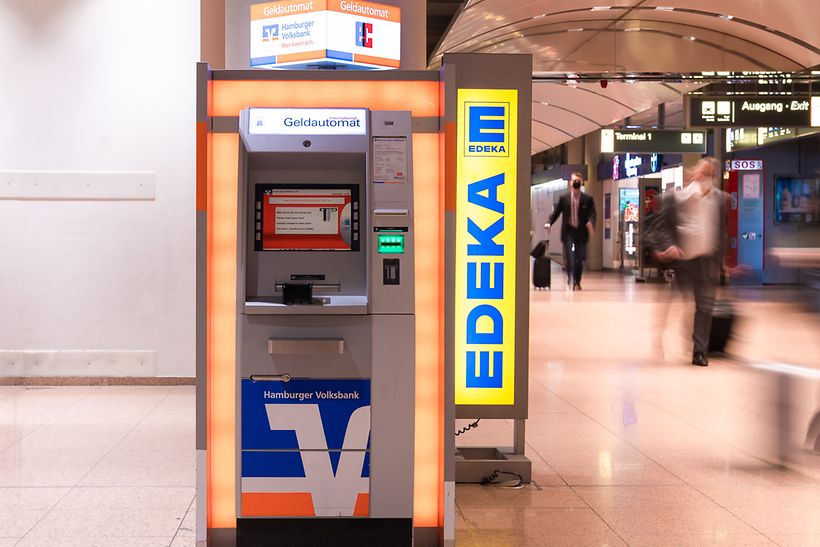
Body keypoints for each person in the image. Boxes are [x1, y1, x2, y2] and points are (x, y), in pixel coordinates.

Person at [644, 157, 727, 366]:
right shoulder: (679, 198)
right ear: (694, 174)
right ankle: (659, 337)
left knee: (704, 307)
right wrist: (667, 246)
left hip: (707, 261)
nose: (704, 179)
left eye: (709, 175)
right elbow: (660, 225)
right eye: (702, 174)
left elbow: (720, 232)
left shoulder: (720, 200)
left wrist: (722, 262)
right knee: (679, 304)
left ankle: (700, 351)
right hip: (683, 261)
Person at [547, 172, 596, 290]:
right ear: (570, 182)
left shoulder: (587, 199)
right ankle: (570, 278)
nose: (576, 182)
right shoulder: (564, 198)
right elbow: (556, 212)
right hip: (568, 231)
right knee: (570, 257)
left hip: (581, 231)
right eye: (574, 180)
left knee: (580, 258)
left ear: (582, 182)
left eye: (578, 180)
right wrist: (549, 222)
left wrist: (591, 223)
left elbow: (592, 213)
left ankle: (577, 281)